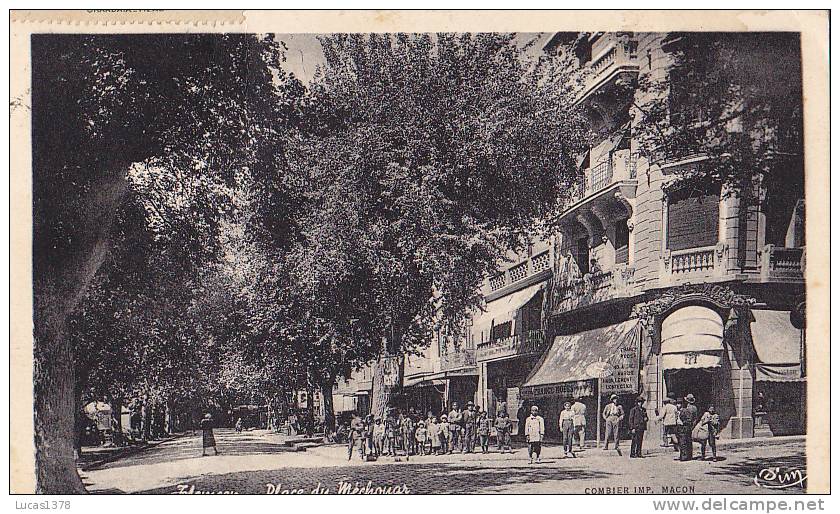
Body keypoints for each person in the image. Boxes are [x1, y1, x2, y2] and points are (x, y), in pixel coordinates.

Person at [677, 394, 699, 461]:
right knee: (689, 440)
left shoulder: (685, 409)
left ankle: (684, 456)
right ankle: (689, 455)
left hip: (684, 426)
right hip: (690, 426)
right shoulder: (695, 408)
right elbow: (695, 418)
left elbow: (682, 417)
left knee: (683, 441)